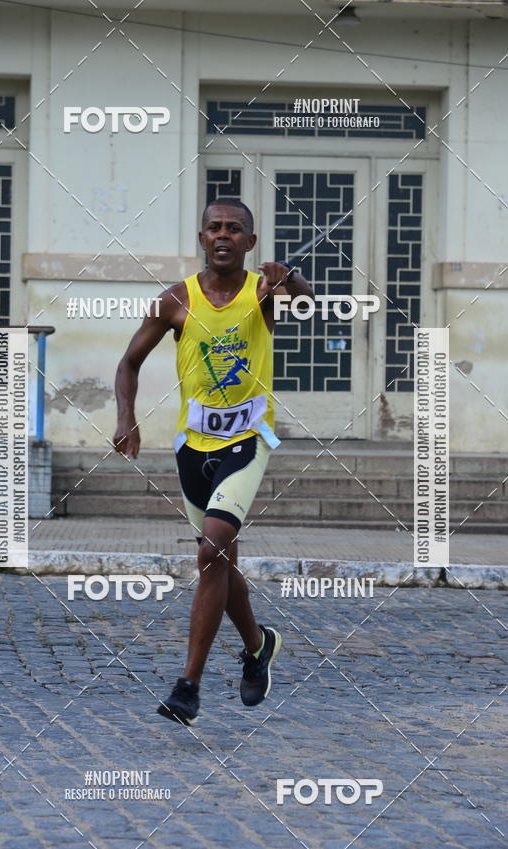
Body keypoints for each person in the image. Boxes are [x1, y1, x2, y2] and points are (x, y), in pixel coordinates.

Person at [113, 198, 313, 725]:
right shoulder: (175, 300)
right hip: (192, 448)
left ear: (250, 241)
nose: (224, 235)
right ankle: (258, 645)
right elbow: (129, 362)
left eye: (235, 229)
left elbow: (308, 302)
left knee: (212, 549)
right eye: (214, 228)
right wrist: (127, 417)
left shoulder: (263, 292)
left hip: (247, 439)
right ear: (202, 238)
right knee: (218, 562)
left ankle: (188, 687)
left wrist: (292, 278)